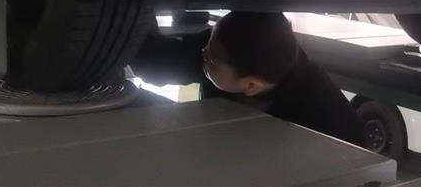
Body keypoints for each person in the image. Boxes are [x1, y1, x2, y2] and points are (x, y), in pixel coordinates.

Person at [132, 12, 364, 146]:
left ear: (251, 85)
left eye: (209, 57)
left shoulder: (326, 127)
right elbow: (155, 62)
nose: (203, 53)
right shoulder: (229, 46)